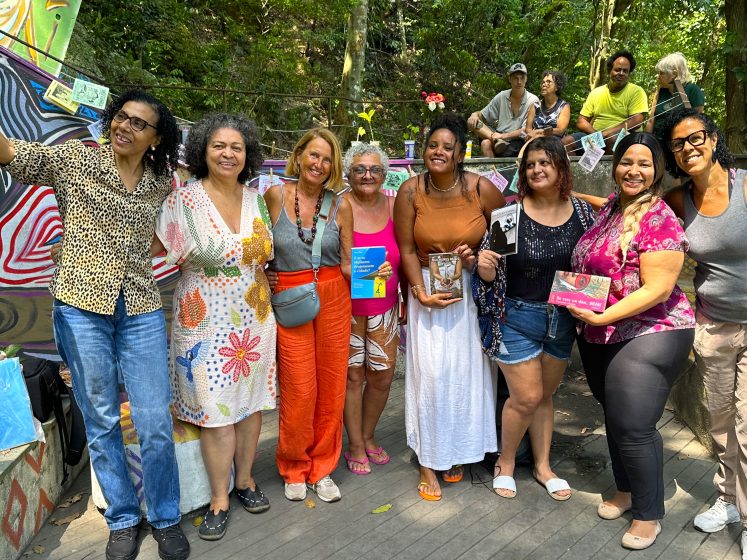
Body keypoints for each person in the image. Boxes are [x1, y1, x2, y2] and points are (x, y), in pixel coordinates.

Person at [0, 91, 190, 560]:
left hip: (140, 307)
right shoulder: (73, 161)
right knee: (102, 419)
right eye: (120, 117)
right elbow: (9, 152)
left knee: (153, 420)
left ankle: (165, 516)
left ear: (155, 138)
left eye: (138, 123)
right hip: (81, 309)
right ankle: (123, 518)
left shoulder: (162, 181)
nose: (125, 126)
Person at [569, 132, 695, 550]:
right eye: (627, 162)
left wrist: (603, 315)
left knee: (635, 426)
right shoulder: (610, 208)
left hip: (652, 330)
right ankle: (625, 492)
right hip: (599, 330)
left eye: (644, 163)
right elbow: (593, 206)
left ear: (657, 170)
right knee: (615, 415)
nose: (634, 170)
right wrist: (566, 191)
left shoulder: (659, 217)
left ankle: (648, 513)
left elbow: (657, 288)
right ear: (615, 166)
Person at [153, 114, 276, 540]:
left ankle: (245, 480)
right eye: (219, 146)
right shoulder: (183, 201)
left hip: (255, 322)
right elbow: (155, 250)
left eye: (237, 147)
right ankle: (220, 498)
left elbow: (265, 256)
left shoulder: (257, 198)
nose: (228, 154)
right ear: (203, 150)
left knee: (250, 405)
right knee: (216, 416)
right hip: (203, 324)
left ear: (248, 155)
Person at [475, 136, 594, 501]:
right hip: (517, 316)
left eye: (545, 162)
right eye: (530, 164)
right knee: (525, 396)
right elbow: (489, 275)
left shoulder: (583, 212)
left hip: (562, 317)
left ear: (561, 167)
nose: (537, 169)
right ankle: (506, 463)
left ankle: (543, 466)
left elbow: (592, 263)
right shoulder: (510, 214)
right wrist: (484, 268)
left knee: (544, 396)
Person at [394, 113, 505, 501]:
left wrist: (478, 257)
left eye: (447, 147)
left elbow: (506, 238)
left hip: (469, 291)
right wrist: (418, 292)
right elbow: (407, 248)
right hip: (425, 288)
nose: (438, 152)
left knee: (467, 373)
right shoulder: (409, 191)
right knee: (432, 374)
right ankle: (428, 458)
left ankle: (455, 448)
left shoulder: (481, 189)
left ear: (460, 153)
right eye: (433, 145)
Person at [658, 109, 747, 556]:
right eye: (678, 143)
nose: (688, 147)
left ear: (712, 139)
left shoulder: (745, 185)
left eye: (695, 138)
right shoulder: (678, 200)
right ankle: (728, 499)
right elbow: (633, 210)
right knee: (720, 421)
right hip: (713, 324)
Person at [264, 128, 353, 503]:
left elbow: (348, 263)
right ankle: (294, 465)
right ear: (299, 156)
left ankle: (322, 466)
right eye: (313, 155)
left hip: (334, 294)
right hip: (290, 296)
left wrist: (376, 276)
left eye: (327, 158)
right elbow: (260, 248)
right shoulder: (273, 196)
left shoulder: (340, 204)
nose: (319, 164)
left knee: (332, 385)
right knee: (299, 386)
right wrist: (266, 275)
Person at [341, 143, 399, 475]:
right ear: (348, 173)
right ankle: (354, 444)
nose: (367, 175)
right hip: (345, 308)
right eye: (360, 169)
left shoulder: (394, 205)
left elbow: (404, 252)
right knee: (352, 378)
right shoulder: (337, 205)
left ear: (384, 174)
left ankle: (368, 434)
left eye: (375, 169)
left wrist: (406, 294)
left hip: (385, 307)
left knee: (382, 376)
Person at [563, 50, 648, 154]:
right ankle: (578, 171)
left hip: (625, 138)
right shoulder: (597, 92)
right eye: (617, 70)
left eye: (625, 71)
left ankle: (607, 170)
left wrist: (607, 133)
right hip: (596, 138)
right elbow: (581, 121)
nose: (621, 74)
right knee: (566, 142)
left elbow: (637, 121)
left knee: (612, 139)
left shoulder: (636, 91)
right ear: (609, 71)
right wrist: (598, 135)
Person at [467, 63, 539, 157]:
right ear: (510, 79)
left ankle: (498, 144)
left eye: (522, 78)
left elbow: (526, 130)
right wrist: (474, 115)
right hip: (498, 138)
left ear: (526, 79)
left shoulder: (533, 100)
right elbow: (482, 115)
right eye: (515, 78)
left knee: (486, 143)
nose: (519, 81)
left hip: (518, 139)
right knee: (472, 122)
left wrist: (502, 136)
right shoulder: (502, 96)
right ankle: (494, 169)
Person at [645, 53, 704, 137]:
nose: (658, 77)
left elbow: (698, 121)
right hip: (657, 140)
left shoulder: (692, 90)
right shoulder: (660, 91)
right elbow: (651, 121)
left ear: (674, 74)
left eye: (662, 73)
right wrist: (646, 142)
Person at [524, 70, 571, 141]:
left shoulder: (564, 106)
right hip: (535, 141)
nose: (544, 84)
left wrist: (538, 132)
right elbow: (528, 128)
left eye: (548, 82)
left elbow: (560, 130)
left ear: (557, 87)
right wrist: (532, 134)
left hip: (554, 142)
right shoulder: (535, 105)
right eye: (543, 82)